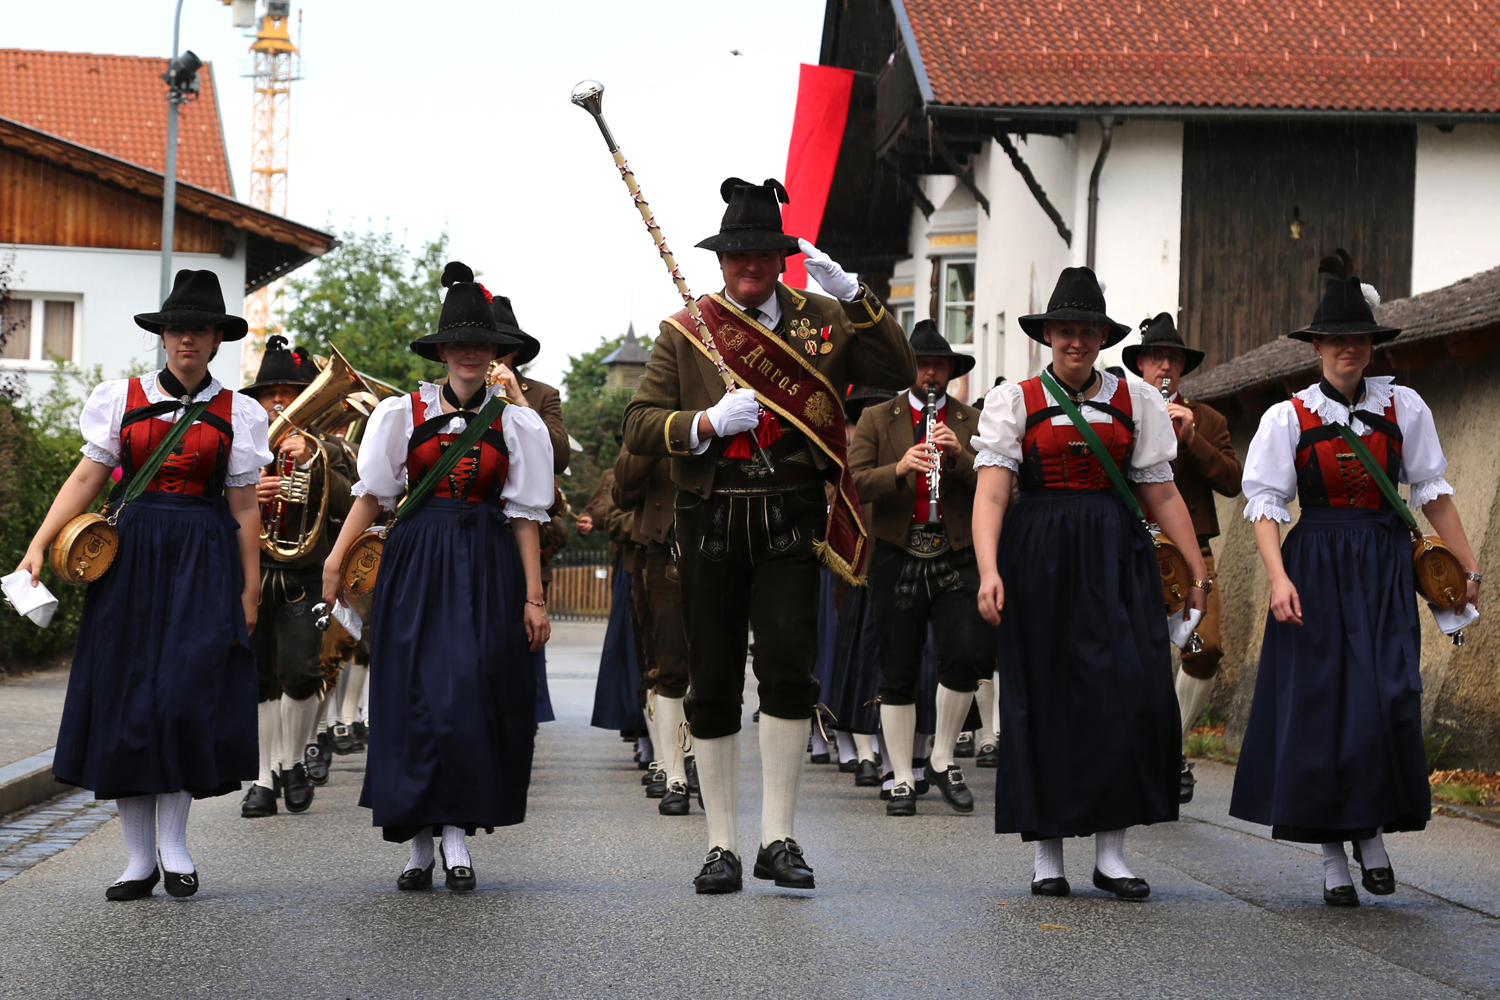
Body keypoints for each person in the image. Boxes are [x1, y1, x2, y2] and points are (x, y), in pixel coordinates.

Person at [623, 177, 915, 893]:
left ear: (781, 259)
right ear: (721, 261)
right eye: (737, 254)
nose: (749, 264)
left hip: (791, 514)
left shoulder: (826, 316)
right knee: (714, 678)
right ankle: (721, 845)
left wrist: (857, 296)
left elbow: (898, 370)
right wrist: (703, 423)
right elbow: (638, 425)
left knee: (788, 672)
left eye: (761, 253)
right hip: (712, 517)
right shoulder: (687, 328)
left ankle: (777, 838)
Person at [1229, 251, 1479, 906]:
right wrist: (1278, 578)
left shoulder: (1405, 408)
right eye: (1337, 340)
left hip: (1384, 565)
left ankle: (1369, 832)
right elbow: (1266, 506)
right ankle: (1334, 858)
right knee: (1322, 710)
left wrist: (1466, 566)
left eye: (1360, 339)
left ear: (1372, 346)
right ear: (1317, 347)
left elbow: (1432, 493)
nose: (1349, 349)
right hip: (1314, 566)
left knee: (1386, 699)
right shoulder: (1288, 417)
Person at [15, 269, 270, 900]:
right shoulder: (119, 398)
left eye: (199, 330)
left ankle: (174, 847)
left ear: (216, 340)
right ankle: (137, 860)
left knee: (184, 697)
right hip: (129, 560)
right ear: (163, 336)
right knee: (128, 701)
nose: (187, 340)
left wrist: (250, 589)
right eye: (177, 329)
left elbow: (244, 507)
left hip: (203, 559)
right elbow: (86, 479)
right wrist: (38, 544)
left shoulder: (240, 412)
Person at [971, 266, 1207, 900]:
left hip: (1115, 553)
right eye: (1065, 330)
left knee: (1127, 692)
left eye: (1087, 331)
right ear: (1048, 335)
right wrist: (989, 570)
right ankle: (1048, 856)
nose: (1076, 340)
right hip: (1039, 555)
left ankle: (1112, 855)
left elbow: (1162, 491)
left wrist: (1197, 569)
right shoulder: (1016, 400)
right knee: (1044, 693)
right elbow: (991, 494)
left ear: (1103, 337)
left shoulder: (1137, 400)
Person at [321, 262, 554, 892]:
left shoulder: (517, 422)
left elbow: (526, 516)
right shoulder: (399, 414)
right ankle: (419, 844)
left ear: (494, 352)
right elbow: (373, 496)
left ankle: (456, 834)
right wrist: (336, 560)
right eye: (460, 343)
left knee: (468, 693)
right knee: (411, 696)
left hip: (486, 561)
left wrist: (534, 598)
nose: (471, 352)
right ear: (443, 351)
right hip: (416, 559)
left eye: (481, 343)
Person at [849, 321, 995, 816]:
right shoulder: (877, 417)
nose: (931, 373)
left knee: (966, 655)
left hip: (956, 551)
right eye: (922, 365)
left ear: (952, 370)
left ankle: (940, 757)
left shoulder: (973, 419)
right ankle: (900, 778)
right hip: (897, 551)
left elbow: (1001, 484)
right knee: (898, 666)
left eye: (939, 365)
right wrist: (899, 468)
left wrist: (959, 457)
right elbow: (853, 482)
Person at [1122, 313, 1243, 802]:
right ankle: (1142, 748)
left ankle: (1170, 743)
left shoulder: (1208, 419)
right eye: (1157, 358)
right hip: (1134, 548)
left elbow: (1233, 482)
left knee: (1205, 648)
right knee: (1135, 656)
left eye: (1173, 359)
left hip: (1194, 552)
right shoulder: (1122, 409)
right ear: (1141, 364)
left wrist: (1192, 440)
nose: (1165, 366)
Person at [240, 335, 356, 818]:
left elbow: (355, 501)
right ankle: (263, 777)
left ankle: (291, 762)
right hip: (254, 571)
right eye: (270, 393)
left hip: (305, 574)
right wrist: (246, 494)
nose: (279, 401)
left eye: (288, 391)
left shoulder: (330, 448)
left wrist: (314, 464)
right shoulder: (244, 443)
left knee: (300, 673)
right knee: (259, 678)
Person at [614, 444, 697, 815]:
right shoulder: (649, 423)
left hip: (721, 548)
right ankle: (674, 773)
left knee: (714, 670)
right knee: (669, 669)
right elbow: (621, 492)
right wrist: (657, 433)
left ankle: (702, 765)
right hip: (664, 554)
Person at [824, 386, 896, 787]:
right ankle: (862, 751)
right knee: (859, 665)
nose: (874, 417)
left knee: (893, 668)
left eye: (881, 409)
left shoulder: (905, 454)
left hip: (895, 568)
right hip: (858, 573)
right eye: (867, 411)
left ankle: (891, 759)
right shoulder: (846, 458)